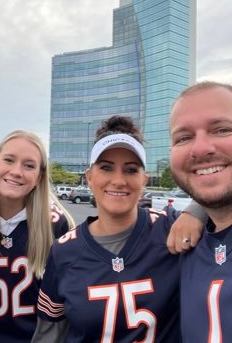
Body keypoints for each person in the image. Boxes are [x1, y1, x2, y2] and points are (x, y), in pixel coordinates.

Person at [33, 115, 203, 342]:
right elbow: (49, 335)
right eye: (106, 168)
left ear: (145, 179)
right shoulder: (64, 252)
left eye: (131, 170)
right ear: (89, 177)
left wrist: (197, 211)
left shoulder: (170, 228)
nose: (119, 180)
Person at [169, 81, 232, 342]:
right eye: (183, 137)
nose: (201, 148)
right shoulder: (181, 241)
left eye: (222, 129)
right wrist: (196, 210)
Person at [0, 130, 75, 342]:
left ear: (39, 177)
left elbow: (69, 306)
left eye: (29, 165)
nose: (16, 171)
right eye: (9, 160)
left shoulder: (56, 225)